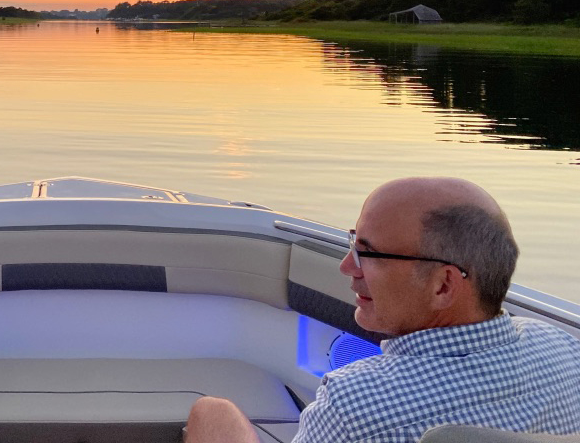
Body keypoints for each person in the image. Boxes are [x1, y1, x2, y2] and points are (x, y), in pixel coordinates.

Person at [187, 177, 580, 443]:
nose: (346, 266)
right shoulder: (564, 352)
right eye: (353, 243)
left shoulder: (356, 402)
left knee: (212, 413)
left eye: (368, 253)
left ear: (443, 285)